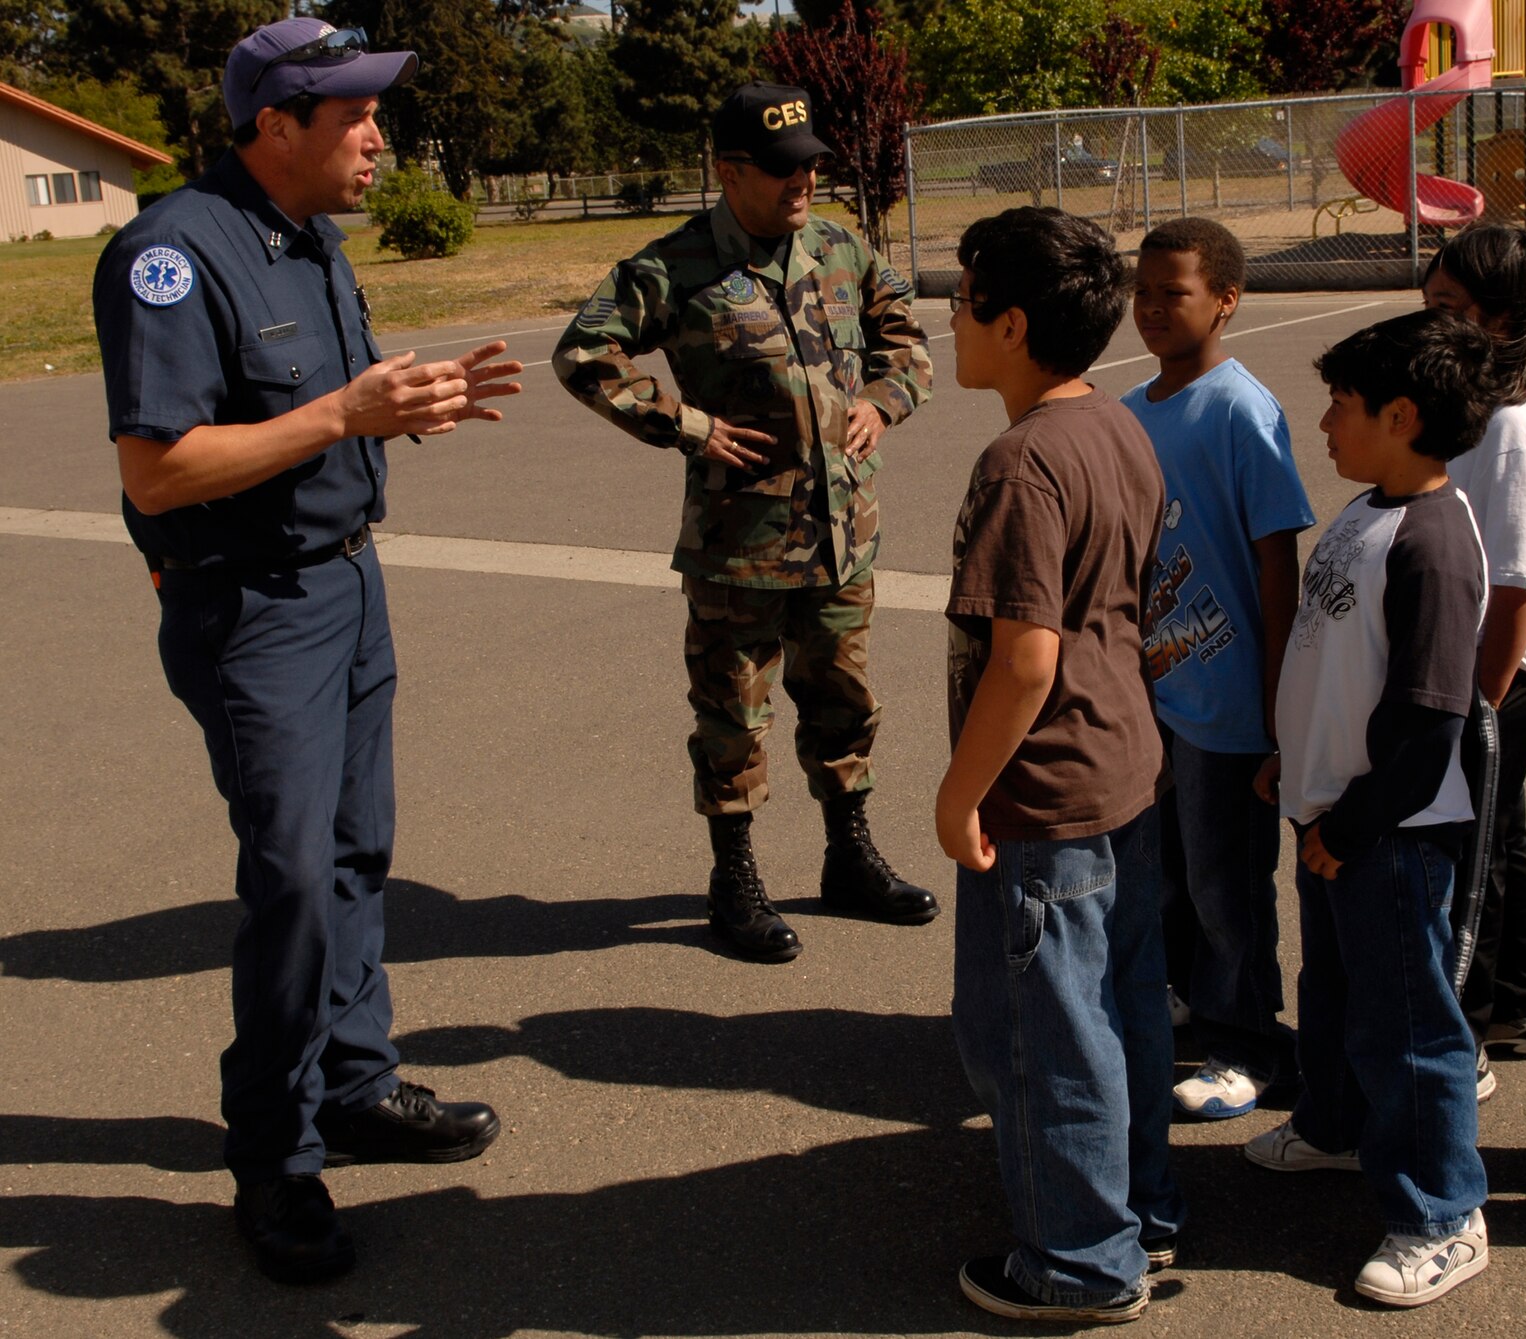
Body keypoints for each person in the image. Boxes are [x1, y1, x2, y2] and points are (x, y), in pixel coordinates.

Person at [90, 17, 521, 1285]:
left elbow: (309, 416)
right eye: (352, 114)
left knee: (353, 852)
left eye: (375, 111)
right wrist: (347, 409)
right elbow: (158, 471)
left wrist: (392, 409)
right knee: (288, 880)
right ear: (275, 125)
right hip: (252, 612)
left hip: (346, 584)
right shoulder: (172, 253)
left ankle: (354, 1083)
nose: (377, 135)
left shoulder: (310, 239)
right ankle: (273, 1156)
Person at [552, 82, 935, 963]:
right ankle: (735, 881)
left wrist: (884, 399)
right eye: (780, 170)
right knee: (733, 719)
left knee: (845, 704)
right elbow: (582, 351)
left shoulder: (840, 246)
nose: (802, 183)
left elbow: (905, 341)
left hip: (845, 534)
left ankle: (849, 858)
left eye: (809, 165)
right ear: (729, 171)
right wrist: (687, 426)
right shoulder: (676, 265)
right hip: (741, 549)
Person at [937, 207, 1182, 1324]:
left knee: (1044, 1033)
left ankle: (1080, 1260)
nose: (950, 316)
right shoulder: (1114, 425)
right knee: (1122, 1010)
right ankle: (1139, 1208)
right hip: (1123, 764)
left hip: (1047, 793)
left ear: (1013, 321)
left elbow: (1024, 658)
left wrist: (959, 790)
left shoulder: (1021, 462)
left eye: (963, 297)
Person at [1244, 310, 1501, 1308]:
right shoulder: (1368, 507)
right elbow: (1332, 660)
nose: (1322, 422)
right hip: (1328, 820)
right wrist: (1292, 765)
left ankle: (1441, 1212)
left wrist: (1350, 824)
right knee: (1340, 994)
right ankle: (1336, 1124)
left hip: (1386, 835)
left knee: (1409, 1026)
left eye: (1341, 408)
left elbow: (1429, 716)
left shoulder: (1433, 544)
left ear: (1399, 417)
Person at [1120, 218, 1313, 1120]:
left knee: (1227, 884)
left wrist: (1278, 706)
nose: (1153, 309)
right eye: (1144, 292)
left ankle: (1246, 1043)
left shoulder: (1242, 407)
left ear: (1226, 302)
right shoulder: (1130, 412)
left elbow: (1279, 563)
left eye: (1176, 293)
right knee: (1163, 870)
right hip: (1158, 692)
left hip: (1232, 703)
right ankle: (1188, 997)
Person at [1420, 225, 1526, 1098]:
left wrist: (1473, 705)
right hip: (1477, 668)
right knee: (1499, 835)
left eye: (1450, 309)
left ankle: (1466, 1035)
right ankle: (1523, 1004)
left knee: (1468, 854)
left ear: (1503, 319)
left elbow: (1517, 591)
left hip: (1499, 674)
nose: (1432, 320)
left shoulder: (1514, 430)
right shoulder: (1479, 406)